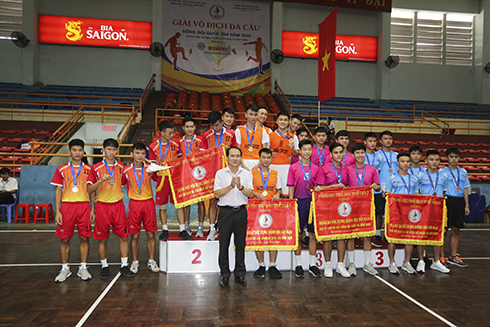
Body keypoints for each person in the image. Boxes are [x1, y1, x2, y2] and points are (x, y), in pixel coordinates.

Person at [87, 138, 135, 279]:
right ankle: (104, 266)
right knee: (102, 239)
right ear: (103, 150)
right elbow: (89, 189)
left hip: (118, 206)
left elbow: (126, 183)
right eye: (109, 149)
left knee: (124, 237)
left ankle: (124, 266)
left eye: (114, 149)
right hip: (102, 207)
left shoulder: (121, 167)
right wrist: (100, 181)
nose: (111, 152)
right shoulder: (95, 168)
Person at [50, 139, 93, 282]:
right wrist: (57, 211)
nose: (77, 153)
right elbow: (58, 190)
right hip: (67, 206)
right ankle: (65, 269)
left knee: (84, 238)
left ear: (83, 152)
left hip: (84, 206)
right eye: (74, 150)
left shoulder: (89, 169)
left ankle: (83, 268)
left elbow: (92, 191)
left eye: (80, 150)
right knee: (64, 239)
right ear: (69, 152)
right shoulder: (61, 169)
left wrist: (92, 210)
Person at [214, 147, 254, 287]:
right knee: (223, 244)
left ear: (241, 158)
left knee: (240, 244)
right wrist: (231, 187)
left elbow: (251, 194)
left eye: (238, 156)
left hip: (241, 212)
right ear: (227, 157)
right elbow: (217, 194)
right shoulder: (220, 174)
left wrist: (241, 187)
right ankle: (224, 274)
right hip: (225, 212)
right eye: (232, 156)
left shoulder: (247, 174)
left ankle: (239, 274)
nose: (235, 158)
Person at [123, 143, 160, 275]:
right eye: (137, 153)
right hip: (134, 204)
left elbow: (159, 180)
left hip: (148, 203)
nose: (140, 156)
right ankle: (135, 262)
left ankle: (151, 260)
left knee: (151, 234)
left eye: (142, 153)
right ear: (131, 154)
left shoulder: (150, 168)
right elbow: (119, 184)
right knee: (135, 235)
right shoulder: (126, 171)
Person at [315, 142, 350, 278]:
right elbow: (319, 189)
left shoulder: (346, 169)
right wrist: (335, 186)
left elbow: (348, 188)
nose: (339, 155)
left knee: (342, 236)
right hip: (327, 206)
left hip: (342, 208)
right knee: (328, 236)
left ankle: (340, 265)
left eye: (341, 152)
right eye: (336, 152)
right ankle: (328, 264)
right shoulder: (324, 169)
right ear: (331, 155)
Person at [148, 120, 188, 241]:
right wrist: (156, 176)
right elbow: (151, 165)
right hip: (162, 178)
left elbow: (180, 161)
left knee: (179, 204)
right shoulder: (153, 146)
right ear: (161, 133)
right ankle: (165, 229)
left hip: (174, 178)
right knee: (162, 206)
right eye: (169, 133)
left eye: (173, 133)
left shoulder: (175, 144)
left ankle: (182, 230)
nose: (172, 135)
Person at [201, 110, 238, 241]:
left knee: (227, 202)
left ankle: (224, 228)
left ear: (222, 122)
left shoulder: (231, 134)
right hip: (212, 173)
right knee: (213, 202)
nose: (214, 128)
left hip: (227, 171)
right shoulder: (206, 136)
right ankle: (212, 228)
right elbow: (202, 157)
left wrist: (227, 149)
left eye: (216, 125)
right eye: (212, 125)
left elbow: (236, 153)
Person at [287, 139, 321, 278]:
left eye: (309, 149)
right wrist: (291, 203)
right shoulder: (294, 167)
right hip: (298, 202)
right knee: (299, 234)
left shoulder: (316, 168)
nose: (307, 152)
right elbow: (290, 186)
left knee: (312, 235)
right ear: (300, 151)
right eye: (304, 149)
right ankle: (298, 265)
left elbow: (319, 186)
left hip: (312, 203)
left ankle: (312, 264)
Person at [345, 143, 380, 276]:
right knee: (352, 235)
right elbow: (345, 185)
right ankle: (352, 263)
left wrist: (375, 186)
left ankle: (367, 263)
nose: (360, 155)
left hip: (367, 205)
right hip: (352, 205)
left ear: (365, 154)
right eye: (357, 153)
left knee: (367, 235)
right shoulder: (348, 169)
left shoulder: (371, 169)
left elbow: (378, 187)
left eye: (362, 152)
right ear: (353, 155)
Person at [385, 152, 420, 275]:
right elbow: (387, 195)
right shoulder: (392, 178)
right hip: (395, 212)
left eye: (407, 161)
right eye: (402, 161)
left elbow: (416, 195)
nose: (405, 164)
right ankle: (392, 262)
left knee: (409, 237)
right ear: (398, 163)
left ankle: (407, 262)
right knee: (392, 238)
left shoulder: (415, 179)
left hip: (410, 213)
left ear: (410, 163)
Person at [416, 150, 450, 274]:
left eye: (436, 160)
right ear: (426, 161)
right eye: (431, 159)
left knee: (438, 235)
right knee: (422, 236)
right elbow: (416, 193)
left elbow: (444, 192)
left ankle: (436, 262)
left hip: (439, 210)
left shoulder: (444, 176)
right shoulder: (420, 176)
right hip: (424, 210)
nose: (434, 162)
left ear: (439, 161)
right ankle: (421, 261)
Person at [251, 148, 282, 278]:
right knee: (258, 236)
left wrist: (277, 195)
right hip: (256, 209)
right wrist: (255, 193)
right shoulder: (251, 173)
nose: (266, 160)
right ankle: (261, 265)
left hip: (272, 209)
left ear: (271, 159)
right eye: (263, 157)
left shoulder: (275, 173)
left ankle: (273, 265)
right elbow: (247, 190)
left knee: (273, 236)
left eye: (268, 157)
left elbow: (279, 190)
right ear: (259, 158)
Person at [440, 147, 470, 268]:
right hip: (447, 201)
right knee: (444, 230)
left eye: (456, 157)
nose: (454, 159)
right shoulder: (442, 172)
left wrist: (466, 205)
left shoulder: (463, 172)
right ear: (447, 158)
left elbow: (466, 188)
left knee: (456, 229)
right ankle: (441, 256)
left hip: (459, 202)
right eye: (451, 156)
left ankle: (453, 256)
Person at [177, 117, 205, 238]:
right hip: (184, 176)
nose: (189, 129)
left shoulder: (200, 140)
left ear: (195, 127)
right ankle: (187, 226)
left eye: (191, 126)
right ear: (183, 128)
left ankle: (200, 227)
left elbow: (204, 158)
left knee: (200, 202)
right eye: (187, 126)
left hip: (198, 175)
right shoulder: (178, 142)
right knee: (186, 203)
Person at [373, 130, 398, 247]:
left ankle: (389, 234)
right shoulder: (377, 155)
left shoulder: (397, 155)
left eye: (390, 139)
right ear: (381, 141)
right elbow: (374, 172)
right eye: (385, 139)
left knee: (391, 214)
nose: (388, 141)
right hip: (380, 189)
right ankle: (377, 234)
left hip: (393, 189)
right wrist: (378, 185)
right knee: (379, 213)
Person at [269, 111, 299, 198]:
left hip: (286, 167)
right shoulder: (270, 135)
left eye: (285, 120)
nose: (283, 122)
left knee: (285, 194)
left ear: (288, 122)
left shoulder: (293, 137)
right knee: (272, 194)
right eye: (281, 120)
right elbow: (265, 151)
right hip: (272, 166)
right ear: (277, 121)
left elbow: (296, 155)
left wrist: (292, 148)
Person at [235, 104, 270, 171]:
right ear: (246, 115)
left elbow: (264, 150)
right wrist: (243, 165)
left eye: (255, 115)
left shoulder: (262, 131)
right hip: (243, 161)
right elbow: (238, 150)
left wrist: (259, 164)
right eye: (251, 114)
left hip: (257, 161)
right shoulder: (239, 130)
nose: (253, 117)